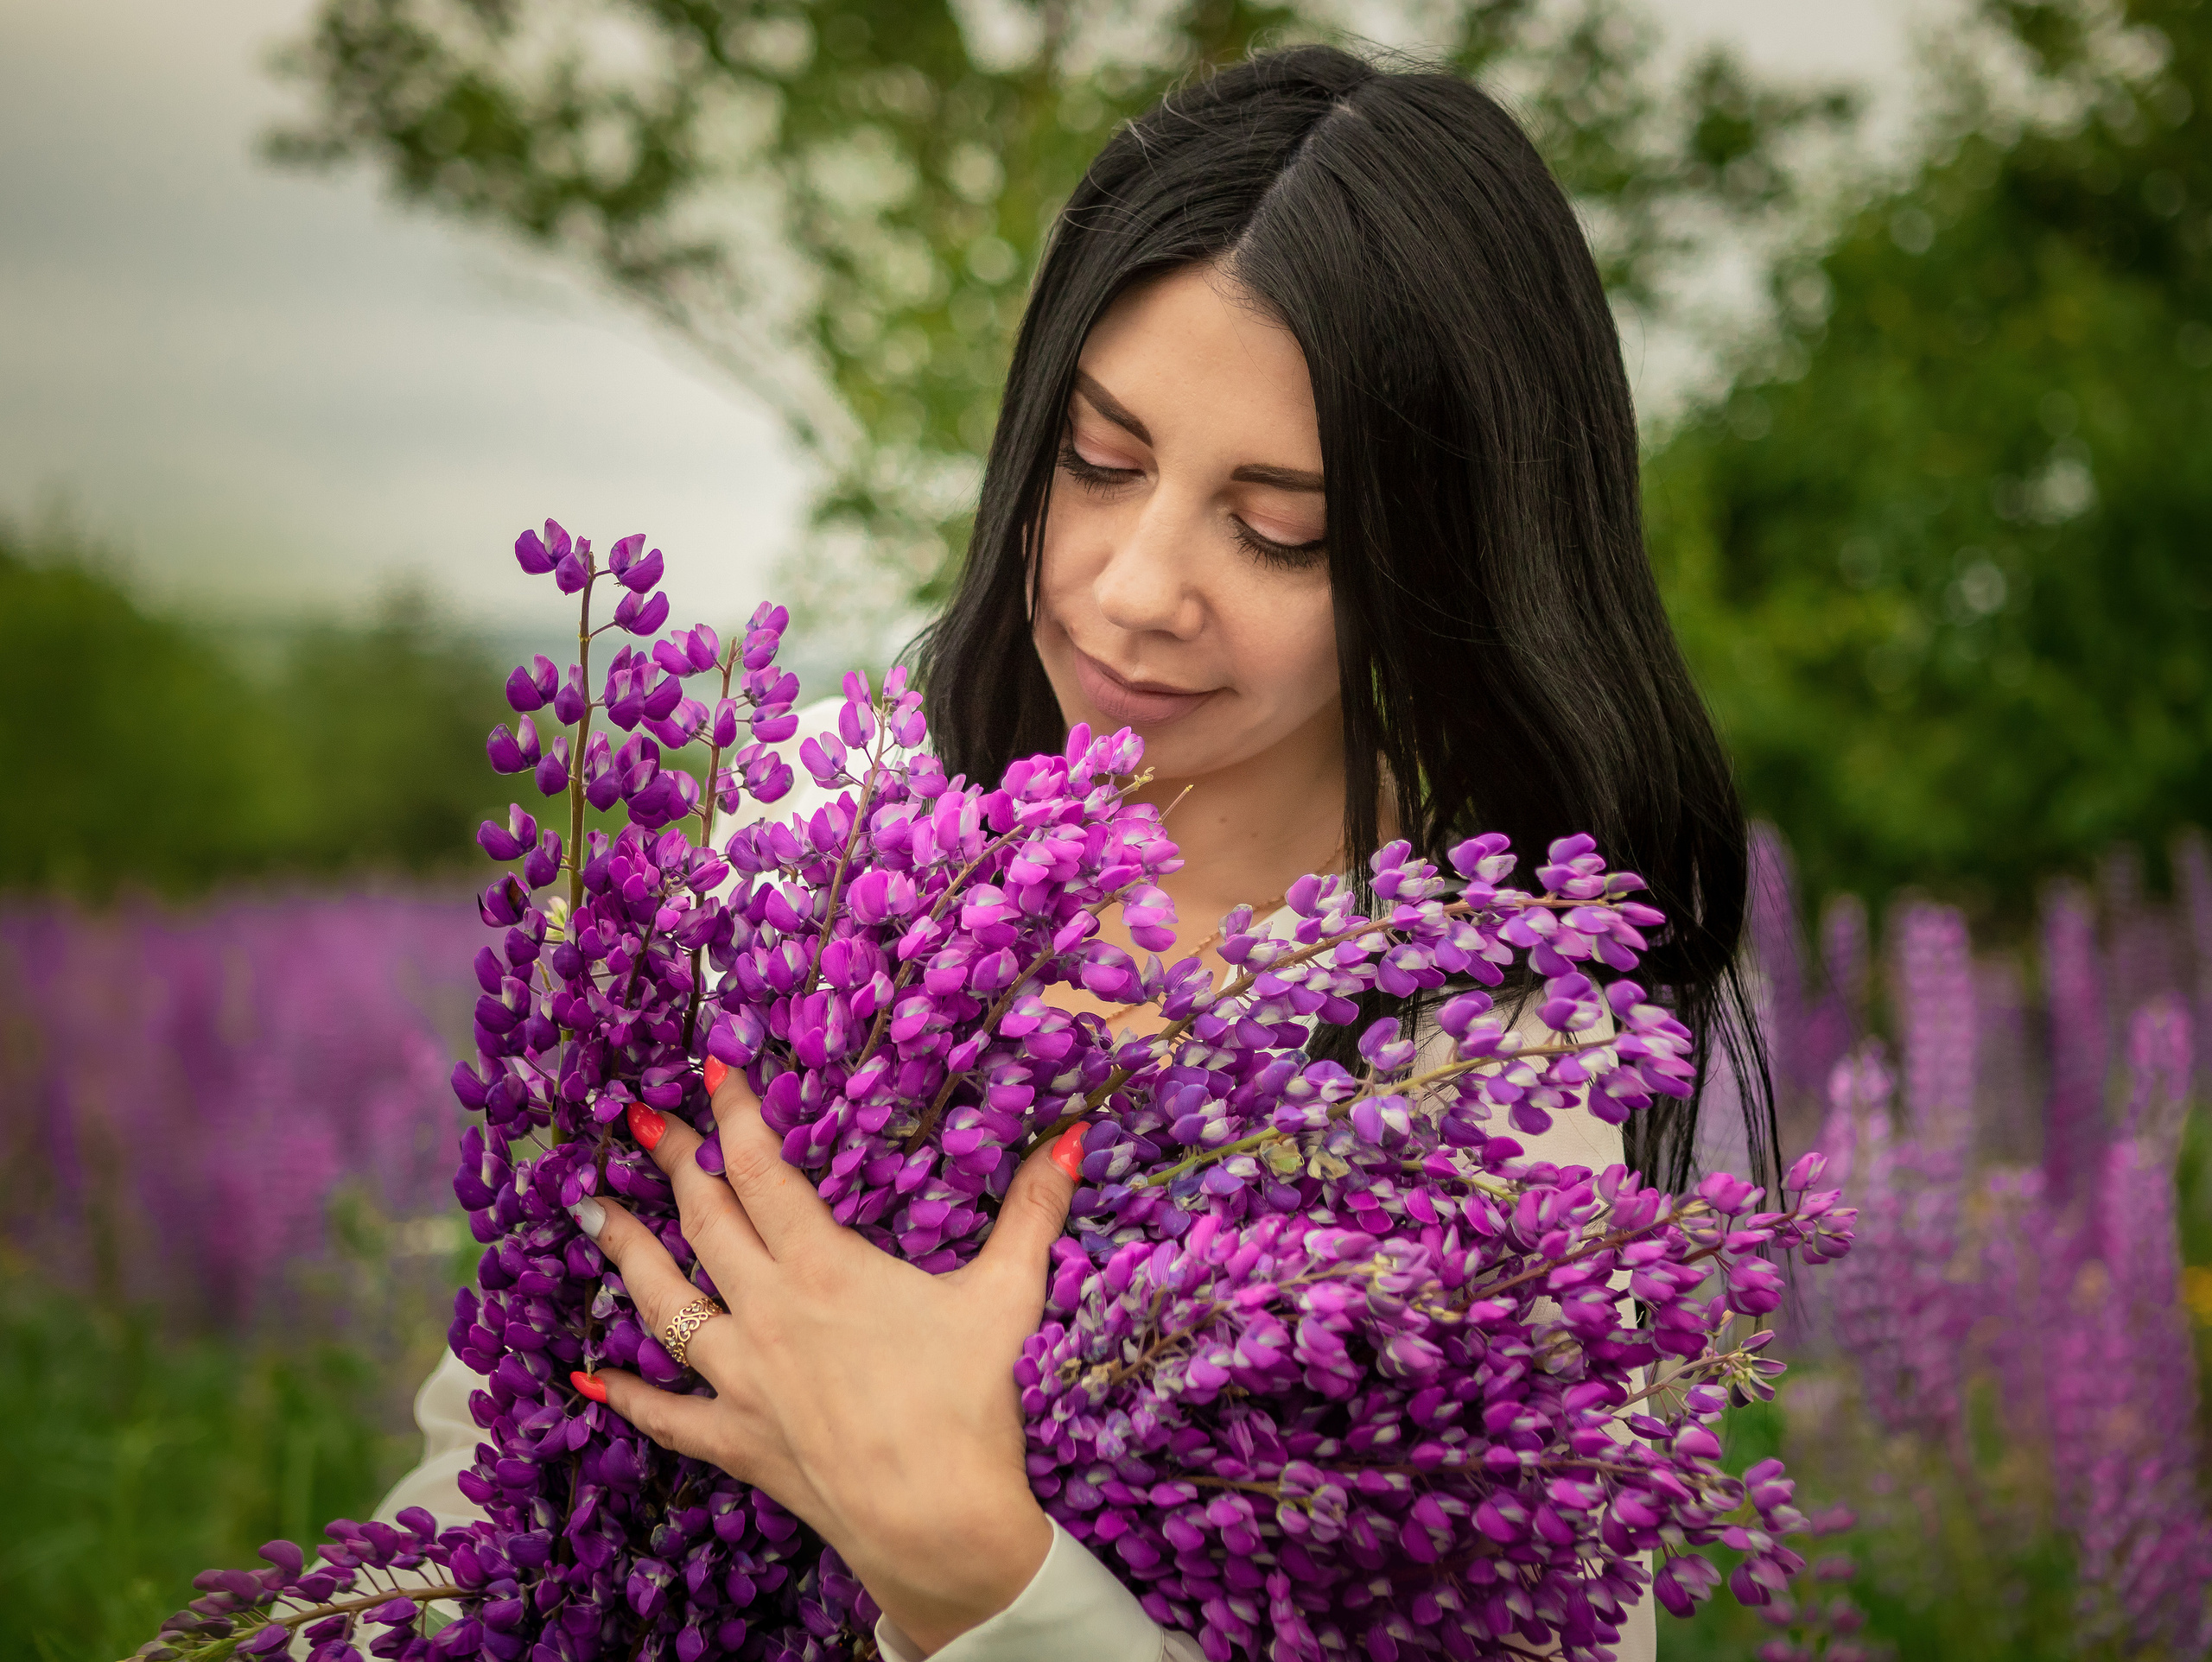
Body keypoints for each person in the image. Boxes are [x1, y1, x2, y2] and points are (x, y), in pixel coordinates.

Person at [378, 43, 1771, 1661]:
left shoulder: (1495, 1063)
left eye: (1282, 530)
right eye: (1098, 463)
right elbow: (478, 1485)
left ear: (1443, 560)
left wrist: (980, 1569)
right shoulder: (802, 840)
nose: (1134, 590)